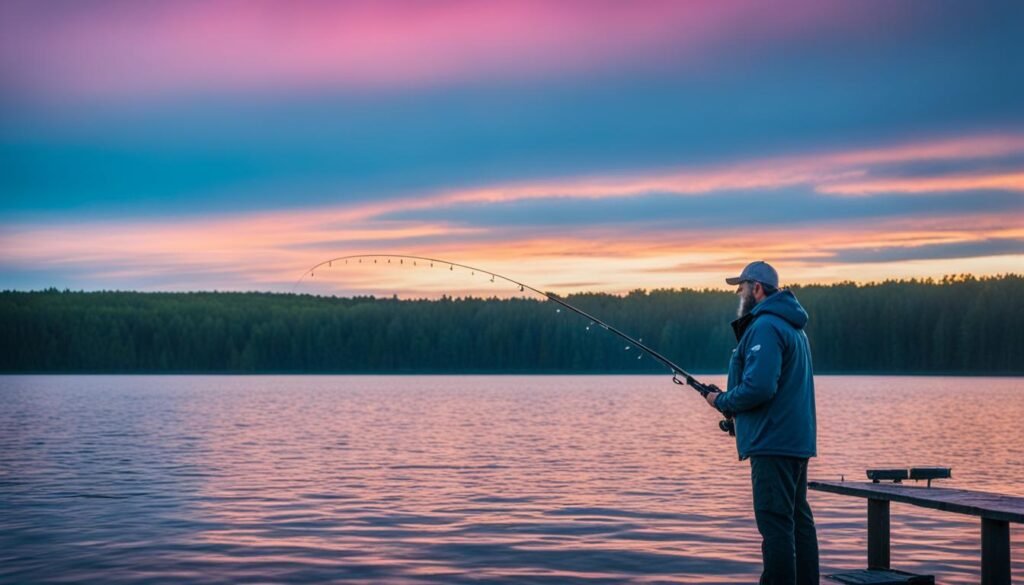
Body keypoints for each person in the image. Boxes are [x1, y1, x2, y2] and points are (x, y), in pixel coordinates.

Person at [705, 261, 819, 584]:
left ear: (757, 289)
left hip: (774, 445)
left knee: (776, 525)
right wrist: (737, 419)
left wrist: (723, 401)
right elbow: (777, 393)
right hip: (795, 442)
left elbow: (760, 387)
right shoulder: (793, 328)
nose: (739, 295)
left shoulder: (766, 326)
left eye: (742, 288)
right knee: (797, 521)